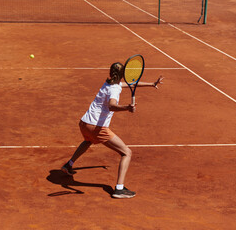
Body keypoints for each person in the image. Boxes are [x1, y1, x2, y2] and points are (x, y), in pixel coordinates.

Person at [61, 62, 164, 199]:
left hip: (84, 123)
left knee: (88, 140)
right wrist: (127, 108)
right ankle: (119, 189)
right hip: (97, 127)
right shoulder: (114, 89)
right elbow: (112, 106)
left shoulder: (108, 83)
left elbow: (131, 85)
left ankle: (69, 164)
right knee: (127, 152)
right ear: (122, 75)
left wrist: (151, 84)